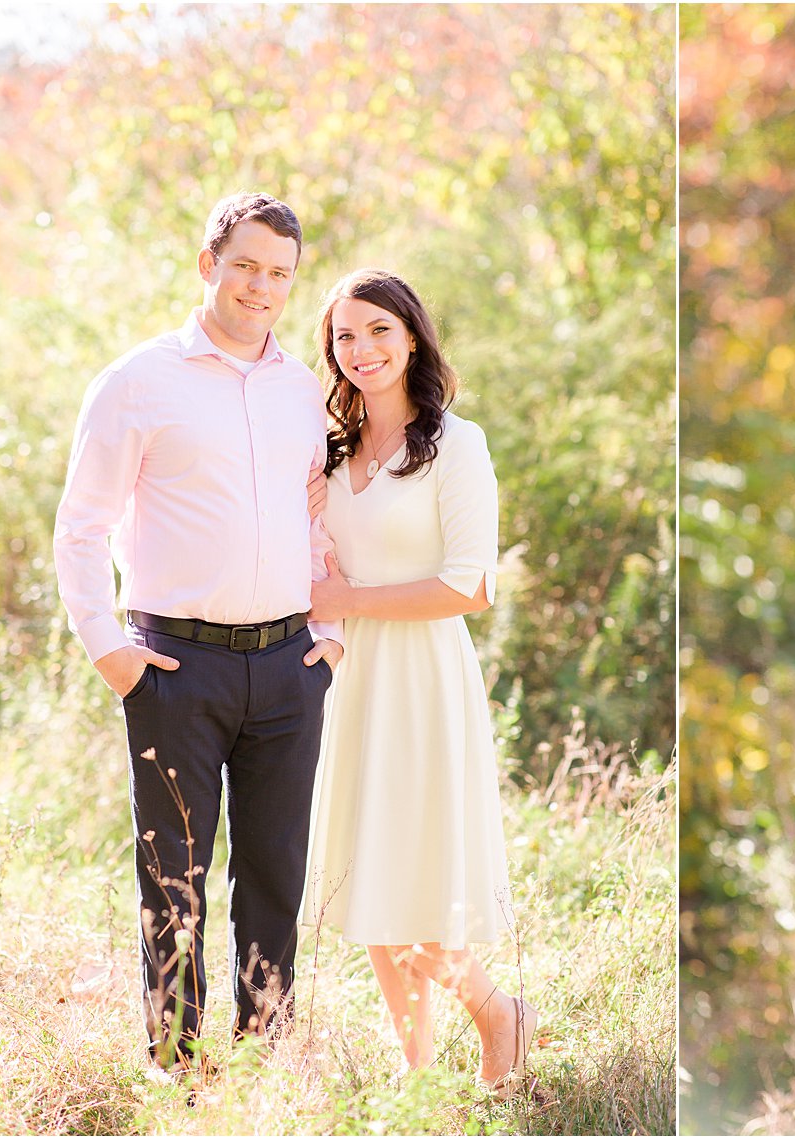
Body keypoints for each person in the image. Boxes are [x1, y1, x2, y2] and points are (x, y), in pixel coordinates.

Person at [54, 192, 344, 1076]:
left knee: (273, 876)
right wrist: (112, 652)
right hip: (176, 667)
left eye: (281, 274)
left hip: (291, 669)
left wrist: (328, 637)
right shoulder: (138, 381)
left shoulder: (304, 389)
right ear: (208, 262)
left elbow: (319, 521)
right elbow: (79, 528)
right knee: (173, 881)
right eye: (247, 265)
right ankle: (175, 1069)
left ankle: (260, 1068)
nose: (262, 287)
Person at [302, 268, 536, 1093]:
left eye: (377, 330)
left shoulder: (455, 444)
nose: (360, 349)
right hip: (347, 680)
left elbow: (471, 586)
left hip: (424, 678)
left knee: (421, 875)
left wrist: (349, 598)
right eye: (343, 335)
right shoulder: (326, 451)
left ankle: (498, 1011)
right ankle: (418, 1071)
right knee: (366, 873)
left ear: (411, 337)